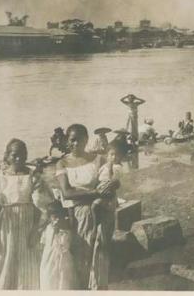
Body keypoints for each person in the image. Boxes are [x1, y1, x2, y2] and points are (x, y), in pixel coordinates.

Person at [0, 139, 52, 289]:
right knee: (4, 260)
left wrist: (35, 230)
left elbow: (38, 206)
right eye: (14, 155)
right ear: (7, 156)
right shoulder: (1, 178)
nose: (19, 159)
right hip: (7, 226)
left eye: (22, 155)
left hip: (27, 224)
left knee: (27, 261)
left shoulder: (33, 177)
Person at [55, 124, 119, 290]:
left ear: (86, 139)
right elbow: (67, 193)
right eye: (72, 140)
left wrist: (114, 183)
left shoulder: (97, 159)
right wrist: (95, 193)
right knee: (82, 255)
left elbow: (109, 177)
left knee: (100, 253)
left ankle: (98, 288)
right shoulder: (62, 164)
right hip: (79, 215)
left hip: (101, 210)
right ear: (67, 141)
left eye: (79, 139)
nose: (76, 143)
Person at [40, 201, 77, 290]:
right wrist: (54, 231)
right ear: (49, 218)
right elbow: (45, 243)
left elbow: (67, 244)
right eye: (54, 217)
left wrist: (61, 230)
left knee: (63, 279)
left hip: (63, 259)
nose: (57, 219)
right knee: (49, 278)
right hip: (49, 258)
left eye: (60, 216)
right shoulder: (48, 228)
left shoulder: (66, 229)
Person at [91, 147, 121, 231]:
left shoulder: (117, 167)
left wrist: (111, 168)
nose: (114, 157)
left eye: (116, 155)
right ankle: (96, 226)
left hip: (108, 193)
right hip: (100, 190)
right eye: (111, 155)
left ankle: (95, 227)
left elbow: (115, 181)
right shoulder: (103, 167)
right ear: (107, 156)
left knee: (96, 206)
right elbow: (97, 177)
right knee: (95, 207)